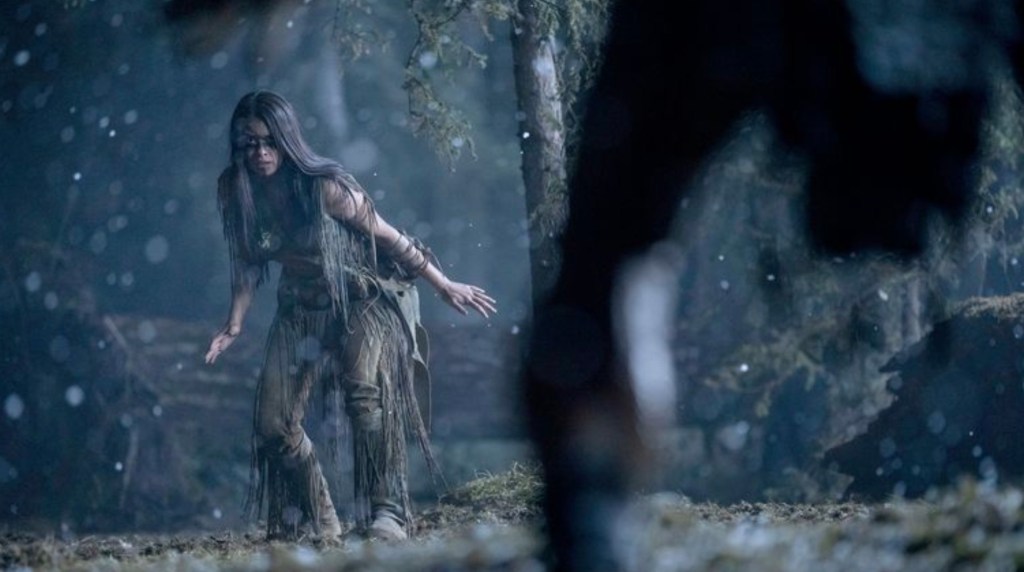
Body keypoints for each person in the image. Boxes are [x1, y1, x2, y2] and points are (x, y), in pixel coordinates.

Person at [203, 91, 496, 542]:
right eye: (250, 144)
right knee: (273, 423)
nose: (260, 153)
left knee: (365, 396)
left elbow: (390, 236)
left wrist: (443, 284)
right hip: (300, 306)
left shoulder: (323, 187)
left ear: (286, 141)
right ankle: (322, 520)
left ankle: (388, 513)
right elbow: (246, 260)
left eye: (270, 142)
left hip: (361, 299)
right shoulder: (235, 190)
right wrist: (235, 321)